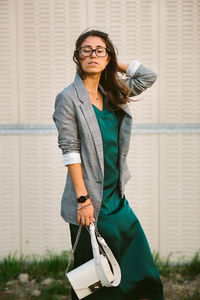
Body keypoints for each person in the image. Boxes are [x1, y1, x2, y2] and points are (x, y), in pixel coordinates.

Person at [53, 29, 164, 300]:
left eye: (100, 50)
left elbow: (148, 76)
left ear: (108, 56)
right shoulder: (68, 98)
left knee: (139, 266)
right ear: (77, 57)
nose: (93, 54)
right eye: (86, 50)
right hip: (90, 202)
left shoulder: (114, 90)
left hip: (117, 196)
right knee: (96, 278)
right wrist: (83, 200)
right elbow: (70, 151)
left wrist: (114, 64)